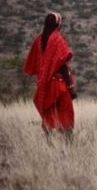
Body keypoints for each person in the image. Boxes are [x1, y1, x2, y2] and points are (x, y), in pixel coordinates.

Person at [23, 12, 76, 140]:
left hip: (45, 84)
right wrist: (71, 86)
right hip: (59, 84)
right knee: (66, 114)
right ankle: (68, 144)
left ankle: (49, 144)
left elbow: (34, 62)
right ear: (58, 24)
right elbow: (62, 63)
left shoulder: (39, 40)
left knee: (48, 114)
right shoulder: (57, 39)